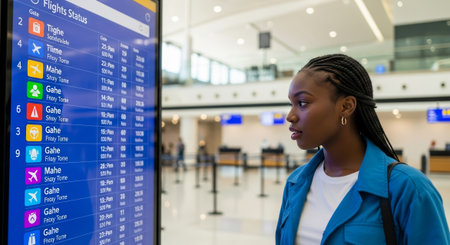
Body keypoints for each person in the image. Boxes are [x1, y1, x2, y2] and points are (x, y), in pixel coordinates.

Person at [276, 54, 449, 244]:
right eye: (291, 104)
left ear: (346, 106)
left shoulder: (409, 189)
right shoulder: (295, 183)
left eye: (302, 103)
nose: (290, 116)